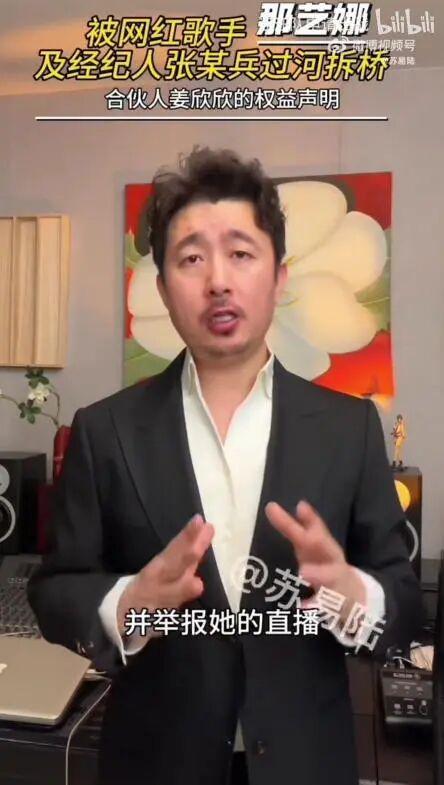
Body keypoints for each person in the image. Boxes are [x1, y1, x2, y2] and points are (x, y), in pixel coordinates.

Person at [27, 148, 425, 785]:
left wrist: (355, 596)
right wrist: (128, 605)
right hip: (155, 763)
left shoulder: (349, 429)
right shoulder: (105, 430)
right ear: (163, 289)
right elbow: (55, 589)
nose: (218, 280)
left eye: (241, 253)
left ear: (279, 277)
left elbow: (403, 604)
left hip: (306, 762)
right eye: (191, 259)